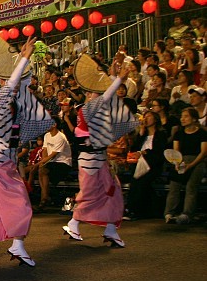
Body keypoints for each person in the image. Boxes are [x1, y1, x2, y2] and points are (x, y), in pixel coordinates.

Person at [0, 35, 54, 267]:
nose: (17, 83)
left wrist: (23, 59)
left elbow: (23, 83)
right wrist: (24, 56)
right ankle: (16, 245)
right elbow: (12, 84)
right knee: (21, 204)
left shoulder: (17, 103)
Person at [62, 60, 138, 247]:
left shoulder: (92, 109)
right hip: (90, 162)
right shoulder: (86, 109)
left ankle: (110, 229)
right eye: (93, 91)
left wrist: (113, 77)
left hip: (98, 160)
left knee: (112, 192)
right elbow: (106, 97)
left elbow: (106, 98)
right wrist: (117, 79)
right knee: (91, 195)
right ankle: (74, 223)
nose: (96, 93)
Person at [164, 107, 207, 225]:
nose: (182, 119)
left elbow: (203, 152)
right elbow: (176, 150)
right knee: (174, 186)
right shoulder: (179, 133)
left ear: (194, 119)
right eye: (181, 117)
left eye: (186, 116)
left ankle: (187, 214)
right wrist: (178, 163)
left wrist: (191, 165)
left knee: (191, 187)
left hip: (197, 161)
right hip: (181, 160)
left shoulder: (202, 133)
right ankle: (169, 213)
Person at [123, 111, 168, 220]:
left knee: (141, 181)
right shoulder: (143, 135)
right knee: (135, 181)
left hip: (153, 165)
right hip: (139, 164)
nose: (146, 119)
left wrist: (144, 153)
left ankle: (135, 210)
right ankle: (132, 209)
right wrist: (141, 133)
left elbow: (159, 150)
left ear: (155, 119)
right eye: (145, 117)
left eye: (149, 116)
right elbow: (134, 149)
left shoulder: (161, 134)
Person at [37, 117, 72, 210]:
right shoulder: (47, 135)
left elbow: (54, 154)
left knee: (42, 171)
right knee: (41, 171)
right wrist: (44, 161)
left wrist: (42, 162)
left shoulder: (61, 137)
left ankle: (44, 199)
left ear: (54, 124)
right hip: (51, 162)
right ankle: (45, 198)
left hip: (63, 162)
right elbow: (44, 150)